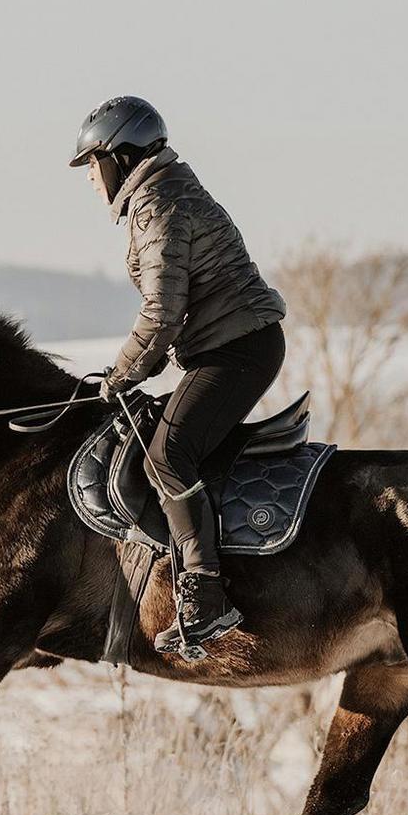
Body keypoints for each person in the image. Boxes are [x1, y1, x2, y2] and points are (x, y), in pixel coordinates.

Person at [70, 96, 286, 656]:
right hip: (230, 345)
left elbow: (162, 313)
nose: (92, 180)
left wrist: (120, 374)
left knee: (166, 456)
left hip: (238, 349)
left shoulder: (159, 205)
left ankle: (206, 596)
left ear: (118, 156)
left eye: (92, 164)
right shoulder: (161, 195)